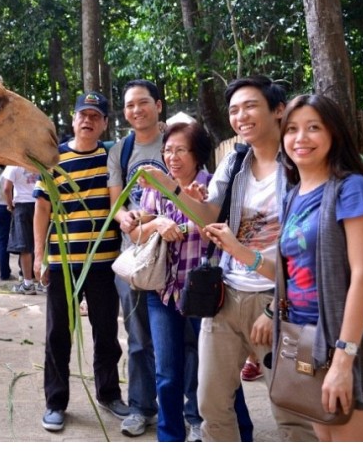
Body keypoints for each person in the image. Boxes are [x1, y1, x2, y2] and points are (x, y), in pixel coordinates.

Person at [141, 76, 316, 442]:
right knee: (211, 405)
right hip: (226, 296)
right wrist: (170, 188)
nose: (241, 116)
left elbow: (317, 246)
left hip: (281, 302)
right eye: (234, 110)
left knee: (291, 412)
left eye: (250, 106)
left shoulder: (304, 162)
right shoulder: (234, 161)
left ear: (278, 110)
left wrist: (275, 308)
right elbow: (206, 215)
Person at [130, 120, 253, 442]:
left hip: (204, 293)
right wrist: (156, 223)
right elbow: (136, 235)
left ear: (197, 153)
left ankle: (241, 434)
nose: (172, 157)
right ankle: (170, 439)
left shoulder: (213, 188)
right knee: (167, 374)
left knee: (218, 374)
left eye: (180, 150)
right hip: (163, 292)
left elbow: (221, 228)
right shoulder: (154, 190)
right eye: (168, 150)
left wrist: (190, 225)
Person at [276, 94, 363, 441]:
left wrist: (343, 360)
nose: (300, 138)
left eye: (313, 128)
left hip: (347, 343)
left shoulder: (352, 188)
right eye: (291, 129)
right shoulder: (293, 194)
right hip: (305, 339)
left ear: (334, 134)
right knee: (325, 443)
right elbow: (291, 270)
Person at [35, 91, 130, 432]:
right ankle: (55, 401)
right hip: (62, 262)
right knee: (58, 333)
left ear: (104, 123)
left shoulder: (112, 157)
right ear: (73, 120)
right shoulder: (54, 158)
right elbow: (42, 207)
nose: (87, 120)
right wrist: (39, 255)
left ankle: (108, 393)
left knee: (106, 332)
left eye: (96, 116)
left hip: (104, 263)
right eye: (82, 115)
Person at [106, 80, 165, 436]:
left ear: (158, 105)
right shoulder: (121, 150)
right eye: (129, 105)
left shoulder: (178, 138)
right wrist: (123, 217)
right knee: (139, 337)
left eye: (143, 103)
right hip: (134, 258)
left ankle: (190, 413)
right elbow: (117, 203)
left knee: (184, 337)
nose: (136, 110)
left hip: (176, 255)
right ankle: (142, 408)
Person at [3, 165, 42, 294]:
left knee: (25, 247)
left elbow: (6, 188)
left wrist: (10, 206)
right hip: (40, 204)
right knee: (42, 244)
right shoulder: (39, 161)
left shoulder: (13, 165)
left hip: (22, 206)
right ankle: (44, 283)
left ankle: (28, 284)